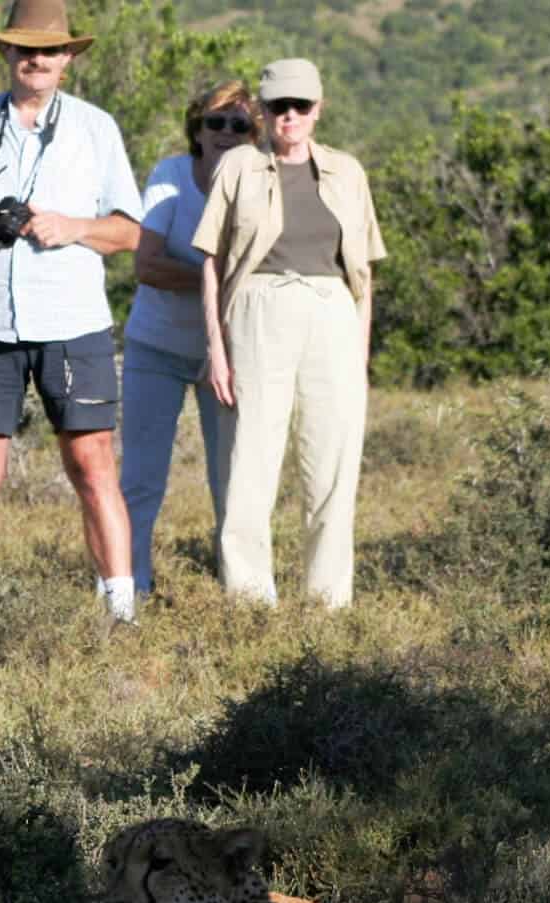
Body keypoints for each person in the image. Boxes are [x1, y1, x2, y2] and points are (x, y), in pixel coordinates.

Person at [0, 0, 142, 623]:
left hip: (71, 320)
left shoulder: (96, 128)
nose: (36, 60)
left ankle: (120, 611)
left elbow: (129, 233)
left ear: (69, 58)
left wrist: (71, 226)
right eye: (24, 49)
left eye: (48, 50)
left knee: (91, 459)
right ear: (7, 55)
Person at [193, 58, 384, 610]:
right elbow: (211, 260)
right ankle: (251, 603)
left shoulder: (348, 172)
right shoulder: (238, 168)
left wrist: (361, 355)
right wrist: (217, 348)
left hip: (332, 312)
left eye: (301, 106)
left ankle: (329, 604)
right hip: (258, 309)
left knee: (333, 462)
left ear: (319, 109)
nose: (290, 117)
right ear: (263, 110)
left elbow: (365, 275)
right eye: (279, 107)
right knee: (250, 460)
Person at [119, 81, 261, 597]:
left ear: (255, 135)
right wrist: (216, 280)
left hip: (233, 353)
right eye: (214, 123)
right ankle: (127, 585)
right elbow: (146, 263)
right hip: (155, 345)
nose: (225, 133)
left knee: (233, 477)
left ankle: (240, 587)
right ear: (196, 132)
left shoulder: (265, 183)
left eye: (239, 124)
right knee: (140, 475)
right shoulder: (170, 176)